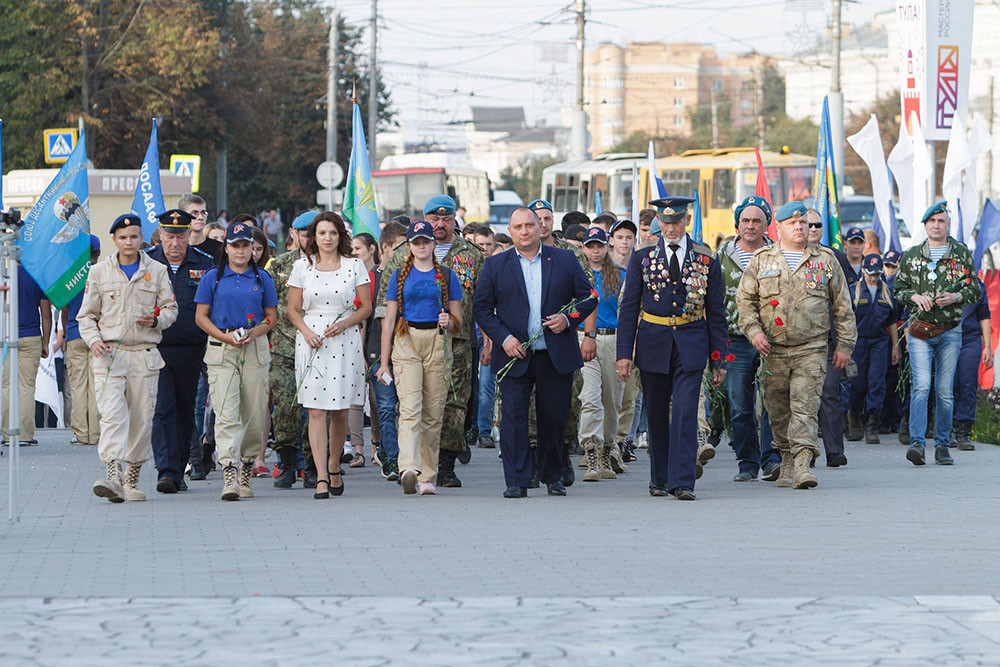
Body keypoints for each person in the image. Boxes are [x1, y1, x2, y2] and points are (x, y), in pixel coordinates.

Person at [473, 207, 595, 498]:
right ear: (511, 231)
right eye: (518, 227)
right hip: (514, 354)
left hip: (554, 353)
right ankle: (516, 479)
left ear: (541, 228)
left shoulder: (564, 259)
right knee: (513, 419)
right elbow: (481, 308)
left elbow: (589, 297)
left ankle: (553, 476)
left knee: (554, 417)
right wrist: (502, 339)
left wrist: (568, 319)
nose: (525, 230)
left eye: (530, 224)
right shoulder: (496, 265)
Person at [736, 202, 856, 489]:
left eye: (803, 222)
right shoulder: (762, 259)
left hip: (811, 347)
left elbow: (843, 306)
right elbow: (745, 302)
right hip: (773, 349)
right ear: (779, 227)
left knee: (805, 405)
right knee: (777, 408)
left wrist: (845, 346)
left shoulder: (826, 259)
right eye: (793, 223)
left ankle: (803, 462)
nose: (800, 227)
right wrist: (753, 333)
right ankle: (786, 457)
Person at [616, 197, 728, 500]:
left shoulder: (706, 257)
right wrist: (624, 353)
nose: (670, 228)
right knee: (655, 413)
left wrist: (719, 359)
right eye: (665, 223)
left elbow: (716, 312)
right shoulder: (642, 256)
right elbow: (628, 309)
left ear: (687, 220)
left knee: (684, 412)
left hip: (692, 342)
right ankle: (659, 478)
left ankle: (683, 482)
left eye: (676, 221)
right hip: (654, 341)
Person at [376, 195, 484, 488]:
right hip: (408, 339)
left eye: (445, 219)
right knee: (410, 406)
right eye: (433, 219)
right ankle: (409, 467)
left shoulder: (472, 255)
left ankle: (442, 466)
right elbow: (385, 309)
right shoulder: (400, 258)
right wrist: (382, 358)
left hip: (456, 343)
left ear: (453, 220)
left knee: (451, 407)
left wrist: (484, 337)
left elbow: (483, 302)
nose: (439, 224)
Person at [79, 214, 178, 503]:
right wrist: (94, 340)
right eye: (123, 238)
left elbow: (171, 309)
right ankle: (113, 473)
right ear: (114, 240)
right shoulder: (99, 272)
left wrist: (156, 321)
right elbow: (86, 316)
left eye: (134, 236)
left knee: (141, 419)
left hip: (144, 355)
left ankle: (132, 476)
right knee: (112, 415)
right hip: (109, 354)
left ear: (141, 238)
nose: (129, 242)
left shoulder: (157, 270)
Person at [287, 212, 371, 499]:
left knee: (340, 411)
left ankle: (335, 463)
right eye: (322, 233)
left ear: (340, 236)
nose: (327, 238)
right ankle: (321, 475)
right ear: (314, 236)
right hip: (312, 340)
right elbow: (292, 309)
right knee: (315, 410)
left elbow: (366, 307)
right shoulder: (302, 267)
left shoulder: (354, 265)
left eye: (332, 233)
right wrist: (306, 331)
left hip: (344, 339)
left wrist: (346, 323)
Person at [194, 221, 278, 501]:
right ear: (226, 248)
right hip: (223, 348)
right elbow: (201, 316)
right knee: (226, 411)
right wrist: (225, 336)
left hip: (253, 347)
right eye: (235, 245)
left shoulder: (262, 278)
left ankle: (247, 464)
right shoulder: (212, 278)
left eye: (246, 246)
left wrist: (254, 331)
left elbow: (271, 317)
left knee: (254, 413)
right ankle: (229, 469)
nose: (241, 251)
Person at [894, 202, 981, 466]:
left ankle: (942, 445)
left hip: (950, 331)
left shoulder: (961, 254)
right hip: (920, 331)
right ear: (924, 226)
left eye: (941, 221)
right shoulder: (911, 256)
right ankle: (918, 444)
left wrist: (955, 296)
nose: (936, 225)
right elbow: (898, 290)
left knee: (944, 390)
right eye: (931, 221)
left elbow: (975, 289)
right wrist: (914, 296)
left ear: (948, 224)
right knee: (921, 386)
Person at [145, 208, 215, 493]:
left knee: (186, 411)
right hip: (155, 346)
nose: (175, 243)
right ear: (161, 235)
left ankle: (179, 468)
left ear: (189, 235)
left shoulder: (205, 263)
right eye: (169, 236)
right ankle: (166, 470)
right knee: (162, 409)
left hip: (191, 348)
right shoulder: (147, 262)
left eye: (181, 236)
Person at [716, 196, 780, 482]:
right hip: (735, 340)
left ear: (767, 224)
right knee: (740, 405)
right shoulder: (721, 257)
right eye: (745, 220)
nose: (750, 226)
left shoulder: (778, 255)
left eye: (757, 220)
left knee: (771, 403)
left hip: (771, 339)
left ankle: (772, 459)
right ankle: (747, 463)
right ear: (737, 224)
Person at [268, 211, 318, 489]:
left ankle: (312, 466)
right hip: (285, 346)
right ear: (293, 234)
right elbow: (270, 304)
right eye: (305, 233)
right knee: (285, 407)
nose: (310, 239)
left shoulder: (331, 265)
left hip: (318, 346)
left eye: (314, 233)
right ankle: (286, 462)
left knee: (315, 408)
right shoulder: (280, 266)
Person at [575, 227, 626, 482]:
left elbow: (628, 313)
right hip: (584, 338)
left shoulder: (620, 275)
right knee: (590, 397)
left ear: (607, 247)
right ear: (583, 248)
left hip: (614, 339)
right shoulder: (578, 274)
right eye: (590, 246)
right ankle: (591, 452)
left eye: (599, 246)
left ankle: (608, 450)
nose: (595, 251)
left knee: (612, 402)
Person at [805, 208, 851, 466]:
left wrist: (845, 343)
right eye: (808, 224)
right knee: (802, 397)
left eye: (817, 225)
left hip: (828, 340)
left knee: (830, 393)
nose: (812, 229)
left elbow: (844, 304)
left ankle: (835, 450)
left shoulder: (836, 258)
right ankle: (806, 452)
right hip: (799, 341)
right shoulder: (787, 256)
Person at [367, 221, 408, 480]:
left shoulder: (411, 274)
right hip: (376, 352)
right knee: (384, 407)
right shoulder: (371, 278)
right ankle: (393, 461)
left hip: (406, 350)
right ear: (385, 248)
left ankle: (388, 450)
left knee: (404, 407)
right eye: (401, 246)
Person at [848, 254, 900, 445]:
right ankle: (853, 418)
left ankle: (872, 425)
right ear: (863, 270)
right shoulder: (854, 291)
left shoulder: (887, 292)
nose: (873, 277)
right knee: (858, 384)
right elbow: (845, 320)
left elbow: (892, 322)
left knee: (876, 384)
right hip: (858, 342)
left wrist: (895, 346)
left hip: (879, 342)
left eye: (877, 274)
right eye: (870, 273)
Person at [1, 259, 52, 447]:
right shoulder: (38, 276)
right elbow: (46, 314)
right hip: (31, 336)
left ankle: (7, 434)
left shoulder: (3, 275)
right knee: (26, 387)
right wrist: (45, 342)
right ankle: (24, 435)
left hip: (6, 337)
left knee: (7, 386)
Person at [63, 236, 102, 447]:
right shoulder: (102, 274)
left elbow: (64, 308)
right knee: (97, 386)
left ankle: (81, 433)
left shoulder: (71, 276)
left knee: (77, 386)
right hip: (96, 335)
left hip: (74, 332)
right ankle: (96, 433)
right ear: (99, 252)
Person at [609, 219, 640, 462]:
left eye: (629, 238)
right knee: (605, 396)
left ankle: (620, 443)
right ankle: (601, 444)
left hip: (633, 338)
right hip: (607, 338)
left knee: (629, 395)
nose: (625, 242)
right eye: (620, 237)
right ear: (612, 240)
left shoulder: (639, 267)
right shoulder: (602, 267)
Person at [351, 231, 381, 467]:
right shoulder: (350, 275)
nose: (354, 254)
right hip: (354, 341)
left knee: (376, 398)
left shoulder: (381, 275)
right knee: (354, 399)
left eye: (358, 249)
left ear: (372, 249)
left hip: (376, 342)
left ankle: (378, 445)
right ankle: (357, 449)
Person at [952, 278, 991, 449]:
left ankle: (964, 432)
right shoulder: (942, 279)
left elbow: (984, 316)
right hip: (947, 338)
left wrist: (987, 347)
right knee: (948, 385)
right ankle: (948, 429)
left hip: (970, 339)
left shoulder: (977, 285)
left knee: (967, 383)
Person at [179, 194, 222, 259]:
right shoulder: (176, 248)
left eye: (203, 213)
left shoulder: (219, 248)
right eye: (195, 213)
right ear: (182, 216)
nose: (201, 217)